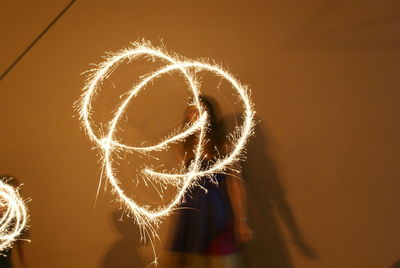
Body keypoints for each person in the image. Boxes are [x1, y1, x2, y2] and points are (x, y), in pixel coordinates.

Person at [166, 96, 253, 268]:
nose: (196, 115)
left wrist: (241, 220)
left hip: (216, 210)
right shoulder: (182, 147)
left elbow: (235, 183)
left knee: (218, 258)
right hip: (190, 210)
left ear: (210, 114)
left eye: (201, 111)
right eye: (192, 112)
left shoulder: (224, 147)